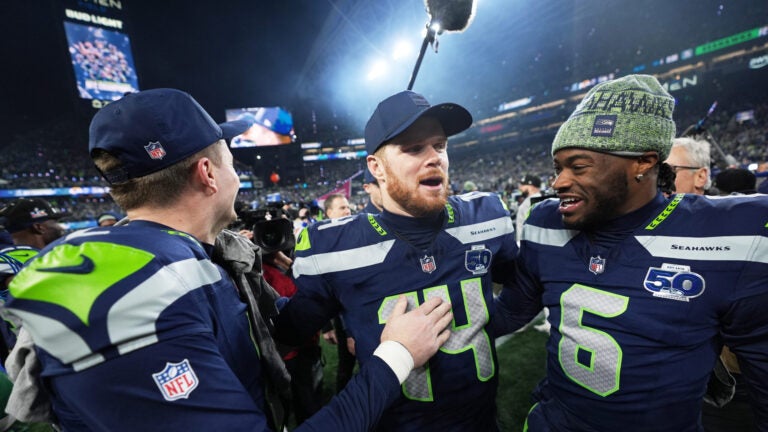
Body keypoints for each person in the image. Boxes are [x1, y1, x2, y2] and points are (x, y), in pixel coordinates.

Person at [2, 88, 454, 431]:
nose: (238, 175)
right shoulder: (130, 284)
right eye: (230, 159)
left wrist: (320, 291)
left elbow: (242, 334)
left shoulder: (195, 252)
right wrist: (397, 354)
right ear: (207, 173)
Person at [493, 74, 768, 431]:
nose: (558, 182)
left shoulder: (731, 236)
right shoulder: (546, 222)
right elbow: (511, 311)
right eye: (557, 168)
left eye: (578, 166)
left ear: (643, 162)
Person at [275, 90, 519, 431]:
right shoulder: (331, 246)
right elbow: (289, 331)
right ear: (377, 167)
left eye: (440, 145)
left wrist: (489, 321)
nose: (435, 157)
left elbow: (526, 285)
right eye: (413, 148)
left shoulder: (486, 216)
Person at [0, 198, 67, 250]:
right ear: (39, 227)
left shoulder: (5, 260)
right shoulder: (50, 263)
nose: (61, 228)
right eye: (55, 223)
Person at [515, 174, 542, 243]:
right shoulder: (532, 200)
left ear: (531, 186)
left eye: (523, 185)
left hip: (528, 243)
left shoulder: (532, 201)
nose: (520, 188)